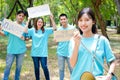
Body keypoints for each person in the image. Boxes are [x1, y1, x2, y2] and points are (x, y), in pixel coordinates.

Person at [69, 8, 116, 80]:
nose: (83, 23)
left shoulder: (102, 40)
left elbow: (112, 61)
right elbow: (72, 64)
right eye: (80, 20)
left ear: (93, 21)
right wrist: (76, 44)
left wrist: (109, 75)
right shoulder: (73, 40)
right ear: (78, 22)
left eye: (87, 20)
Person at [25, 14, 56, 80]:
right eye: (39, 22)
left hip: (43, 53)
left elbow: (55, 28)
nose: (40, 23)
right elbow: (25, 31)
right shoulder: (32, 30)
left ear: (43, 23)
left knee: (44, 67)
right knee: (36, 68)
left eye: (41, 22)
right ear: (36, 22)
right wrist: (28, 20)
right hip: (35, 53)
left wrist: (51, 18)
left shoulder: (46, 31)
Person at [0, 10, 27, 80]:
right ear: (16, 16)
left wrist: (24, 38)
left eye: (23, 16)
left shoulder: (25, 27)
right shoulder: (10, 25)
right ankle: (5, 78)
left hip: (21, 51)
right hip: (11, 50)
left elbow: (27, 38)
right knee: (8, 66)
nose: (21, 17)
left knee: (19, 67)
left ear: (24, 18)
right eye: (19, 15)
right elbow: (4, 34)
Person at [56, 13, 74, 80]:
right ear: (60, 21)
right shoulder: (59, 30)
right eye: (61, 19)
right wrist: (56, 40)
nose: (63, 21)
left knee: (72, 69)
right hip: (60, 53)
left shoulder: (72, 28)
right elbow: (57, 42)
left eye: (64, 19)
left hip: (70, 53)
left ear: (67, 19)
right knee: (61, 69)